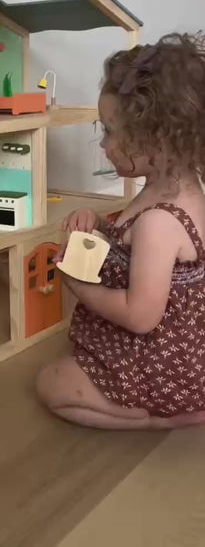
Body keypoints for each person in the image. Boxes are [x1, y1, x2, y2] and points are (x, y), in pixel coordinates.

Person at [37, 33, 205, 429]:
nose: (104, 144)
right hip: (184, 353)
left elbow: (140, 315)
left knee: (52, 383)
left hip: (160, 364)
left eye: (110, 131)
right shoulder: (176, 189)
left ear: (156, 138)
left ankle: (153, 419)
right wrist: (96, 223)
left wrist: (78, 286)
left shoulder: (160, 222)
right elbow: (130, 243)